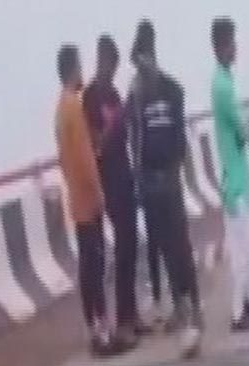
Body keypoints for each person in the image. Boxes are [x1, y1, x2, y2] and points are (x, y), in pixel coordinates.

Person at [127, 20, 203, 358]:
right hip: (149, 181)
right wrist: (138, 181)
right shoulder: (137, 96)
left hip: (167, 179)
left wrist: (178, 170)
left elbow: (179, 138)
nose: (142, 65)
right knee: (163, 249)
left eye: (144, 57)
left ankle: (192, 309)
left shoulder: (171, 90)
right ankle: (181, 309)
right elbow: (134, 142)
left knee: (179, 246)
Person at [55, 44, 122, 357]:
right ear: (73, 68)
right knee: (94, 268)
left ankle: (96, 331)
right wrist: (99, 194)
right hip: (87, 201)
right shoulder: (73, 108)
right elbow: (85, 157)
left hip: (75, 199)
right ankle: (102, 334)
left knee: (88, 267)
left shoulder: (59, 109)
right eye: (80, 66)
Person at [84, 34, 146, 346]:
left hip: (126, 176)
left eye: (115, 65)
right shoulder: (92, 97)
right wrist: (115, 121)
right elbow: (95, 146)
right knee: (120, 250)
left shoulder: (114, 93)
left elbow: (127, 132)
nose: (112, 69)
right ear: (100, 59)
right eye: (109, 63)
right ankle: (121, 321)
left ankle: (131, 313)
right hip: (107, 182)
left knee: (132, 247)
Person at [211, 17, 249, 333]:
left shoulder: (226, 80)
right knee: (242, 250)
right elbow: (242, 128)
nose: (236, 48)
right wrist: (243, 129)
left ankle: (246, 302)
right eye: (232, 42)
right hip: (233, 185)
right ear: (222, 46)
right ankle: (237, 314)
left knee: (248, 246)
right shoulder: (221, 85)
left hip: (239, 179)